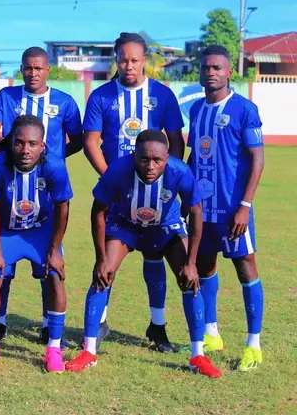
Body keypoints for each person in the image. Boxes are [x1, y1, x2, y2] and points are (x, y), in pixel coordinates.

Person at [65, 130, 222, 378]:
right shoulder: (118, 170)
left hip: (164, 225)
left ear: (167, 158)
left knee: (189, 280)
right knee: (103, 276)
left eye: (157, 160)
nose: (150, 166)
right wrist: (101, 258)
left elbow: (196, 212)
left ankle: (198, 355)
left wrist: (191, 262)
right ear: (134, 156)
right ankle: (89, 352)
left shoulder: (180, 171)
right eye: (144, 159)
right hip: (125, 223)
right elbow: (98, 211)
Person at [81, 32, 186, 353]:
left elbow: (176, 141)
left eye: (135, 60)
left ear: (144, 61)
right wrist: (111, 180)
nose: (128, 65)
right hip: (118, 199)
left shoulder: (162, 95)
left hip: (156, 197)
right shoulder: (101, 96)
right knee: (106, 261)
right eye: (123, 59)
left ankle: (157, 326)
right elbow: (90, 142)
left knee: (156, 255)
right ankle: (100, 324)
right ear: (116, 60)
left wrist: (167, 183)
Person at [0, 46, 83, 345]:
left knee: (48, 263)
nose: (33, 73)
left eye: (38, 68)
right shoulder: (7, 97)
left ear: (47, 70)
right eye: (28, 67)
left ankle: (47, 324)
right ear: (22, 69)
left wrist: (50, 160)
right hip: (12, 185)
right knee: (4, 265)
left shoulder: (64, 101)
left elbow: (78, 140)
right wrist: (9, 148)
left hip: (46, 191)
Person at [186, 44, 265, 371]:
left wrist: (245, 205)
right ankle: (211, 334)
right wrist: (186, 197)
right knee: (205, 268)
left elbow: (258, 159)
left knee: (246, 268)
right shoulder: (196, 110)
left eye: (217, 67)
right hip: (202, 211)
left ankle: (253, 345)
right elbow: (194, 156)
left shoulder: (245, 109)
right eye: (206, 67)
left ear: (229, 71)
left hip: (233, 210)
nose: (211, 73)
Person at [0, 115, 73, 373]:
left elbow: (63, 208)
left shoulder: (54, 166)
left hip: (40, 230)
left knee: (55, 276)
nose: (25, 150)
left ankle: (53, 348)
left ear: (42, 146)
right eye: (19, 143)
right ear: (11, 143)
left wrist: (54, 250)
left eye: (32, 144)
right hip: (6, 230)